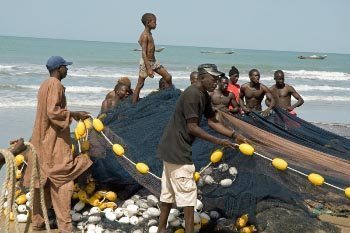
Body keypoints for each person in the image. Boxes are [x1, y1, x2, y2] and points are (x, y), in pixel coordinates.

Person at [156, 64, 247, 233]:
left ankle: (161, 229)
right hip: (178, 149)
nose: (216, 82)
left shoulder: (203, 95)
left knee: (168, 192)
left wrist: (234, 136)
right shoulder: (192, 95)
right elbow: (192, 127)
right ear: (202, 77)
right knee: (189, 197)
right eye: (213, 79)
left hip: (169, 148)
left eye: (218, 78)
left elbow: (212, 121)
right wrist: (219, 142)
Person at [27, 56, 93, 232]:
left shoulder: (44, 84)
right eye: (65, 67)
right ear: (58, 68)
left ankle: (38, 222)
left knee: (44, 182)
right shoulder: (55, 84)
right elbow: (53, 111)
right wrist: (73, 114)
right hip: (52, 142)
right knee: (63, 181)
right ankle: (65, 226)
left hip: (40, 140)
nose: (67, 70)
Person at [132, 13, 172, 104]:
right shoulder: (145, 35)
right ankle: (133, 104)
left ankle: (171, 94)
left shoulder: (149, 33)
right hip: (146, 63)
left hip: (153, 61)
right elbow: (143, 52)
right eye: (155, 22)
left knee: (168, 77)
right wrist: (149, 68)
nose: (156, 24)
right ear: (148, 23)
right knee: (140, 84)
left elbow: (139, 41)